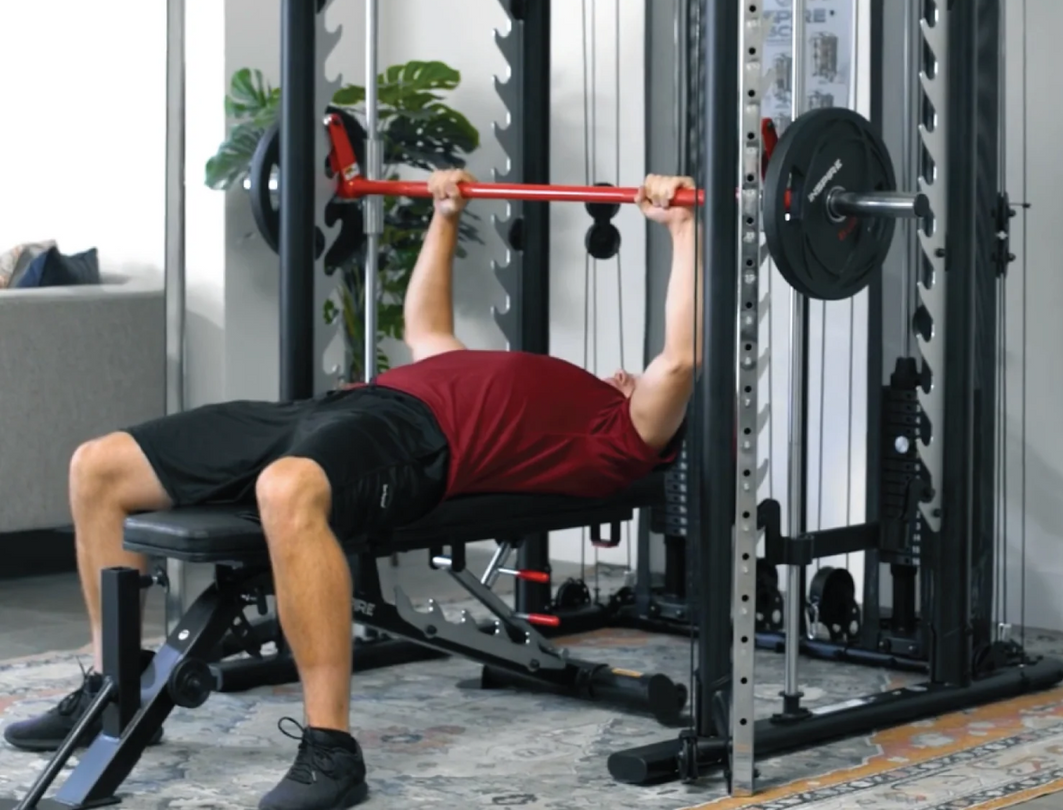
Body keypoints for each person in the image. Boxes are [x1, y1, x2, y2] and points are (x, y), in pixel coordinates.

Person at [3, 170, 702, 810]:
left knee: (287, 488)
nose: (627, 372)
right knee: (97, 465)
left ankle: (332, 751)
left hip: (417, 444)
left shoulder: (618, 436)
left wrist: (681, 231)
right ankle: (112, 687)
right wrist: (446, 215)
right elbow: (427, 329)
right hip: (338, 408)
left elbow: (680, 360)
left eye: (639, 380)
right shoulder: (540, 379)